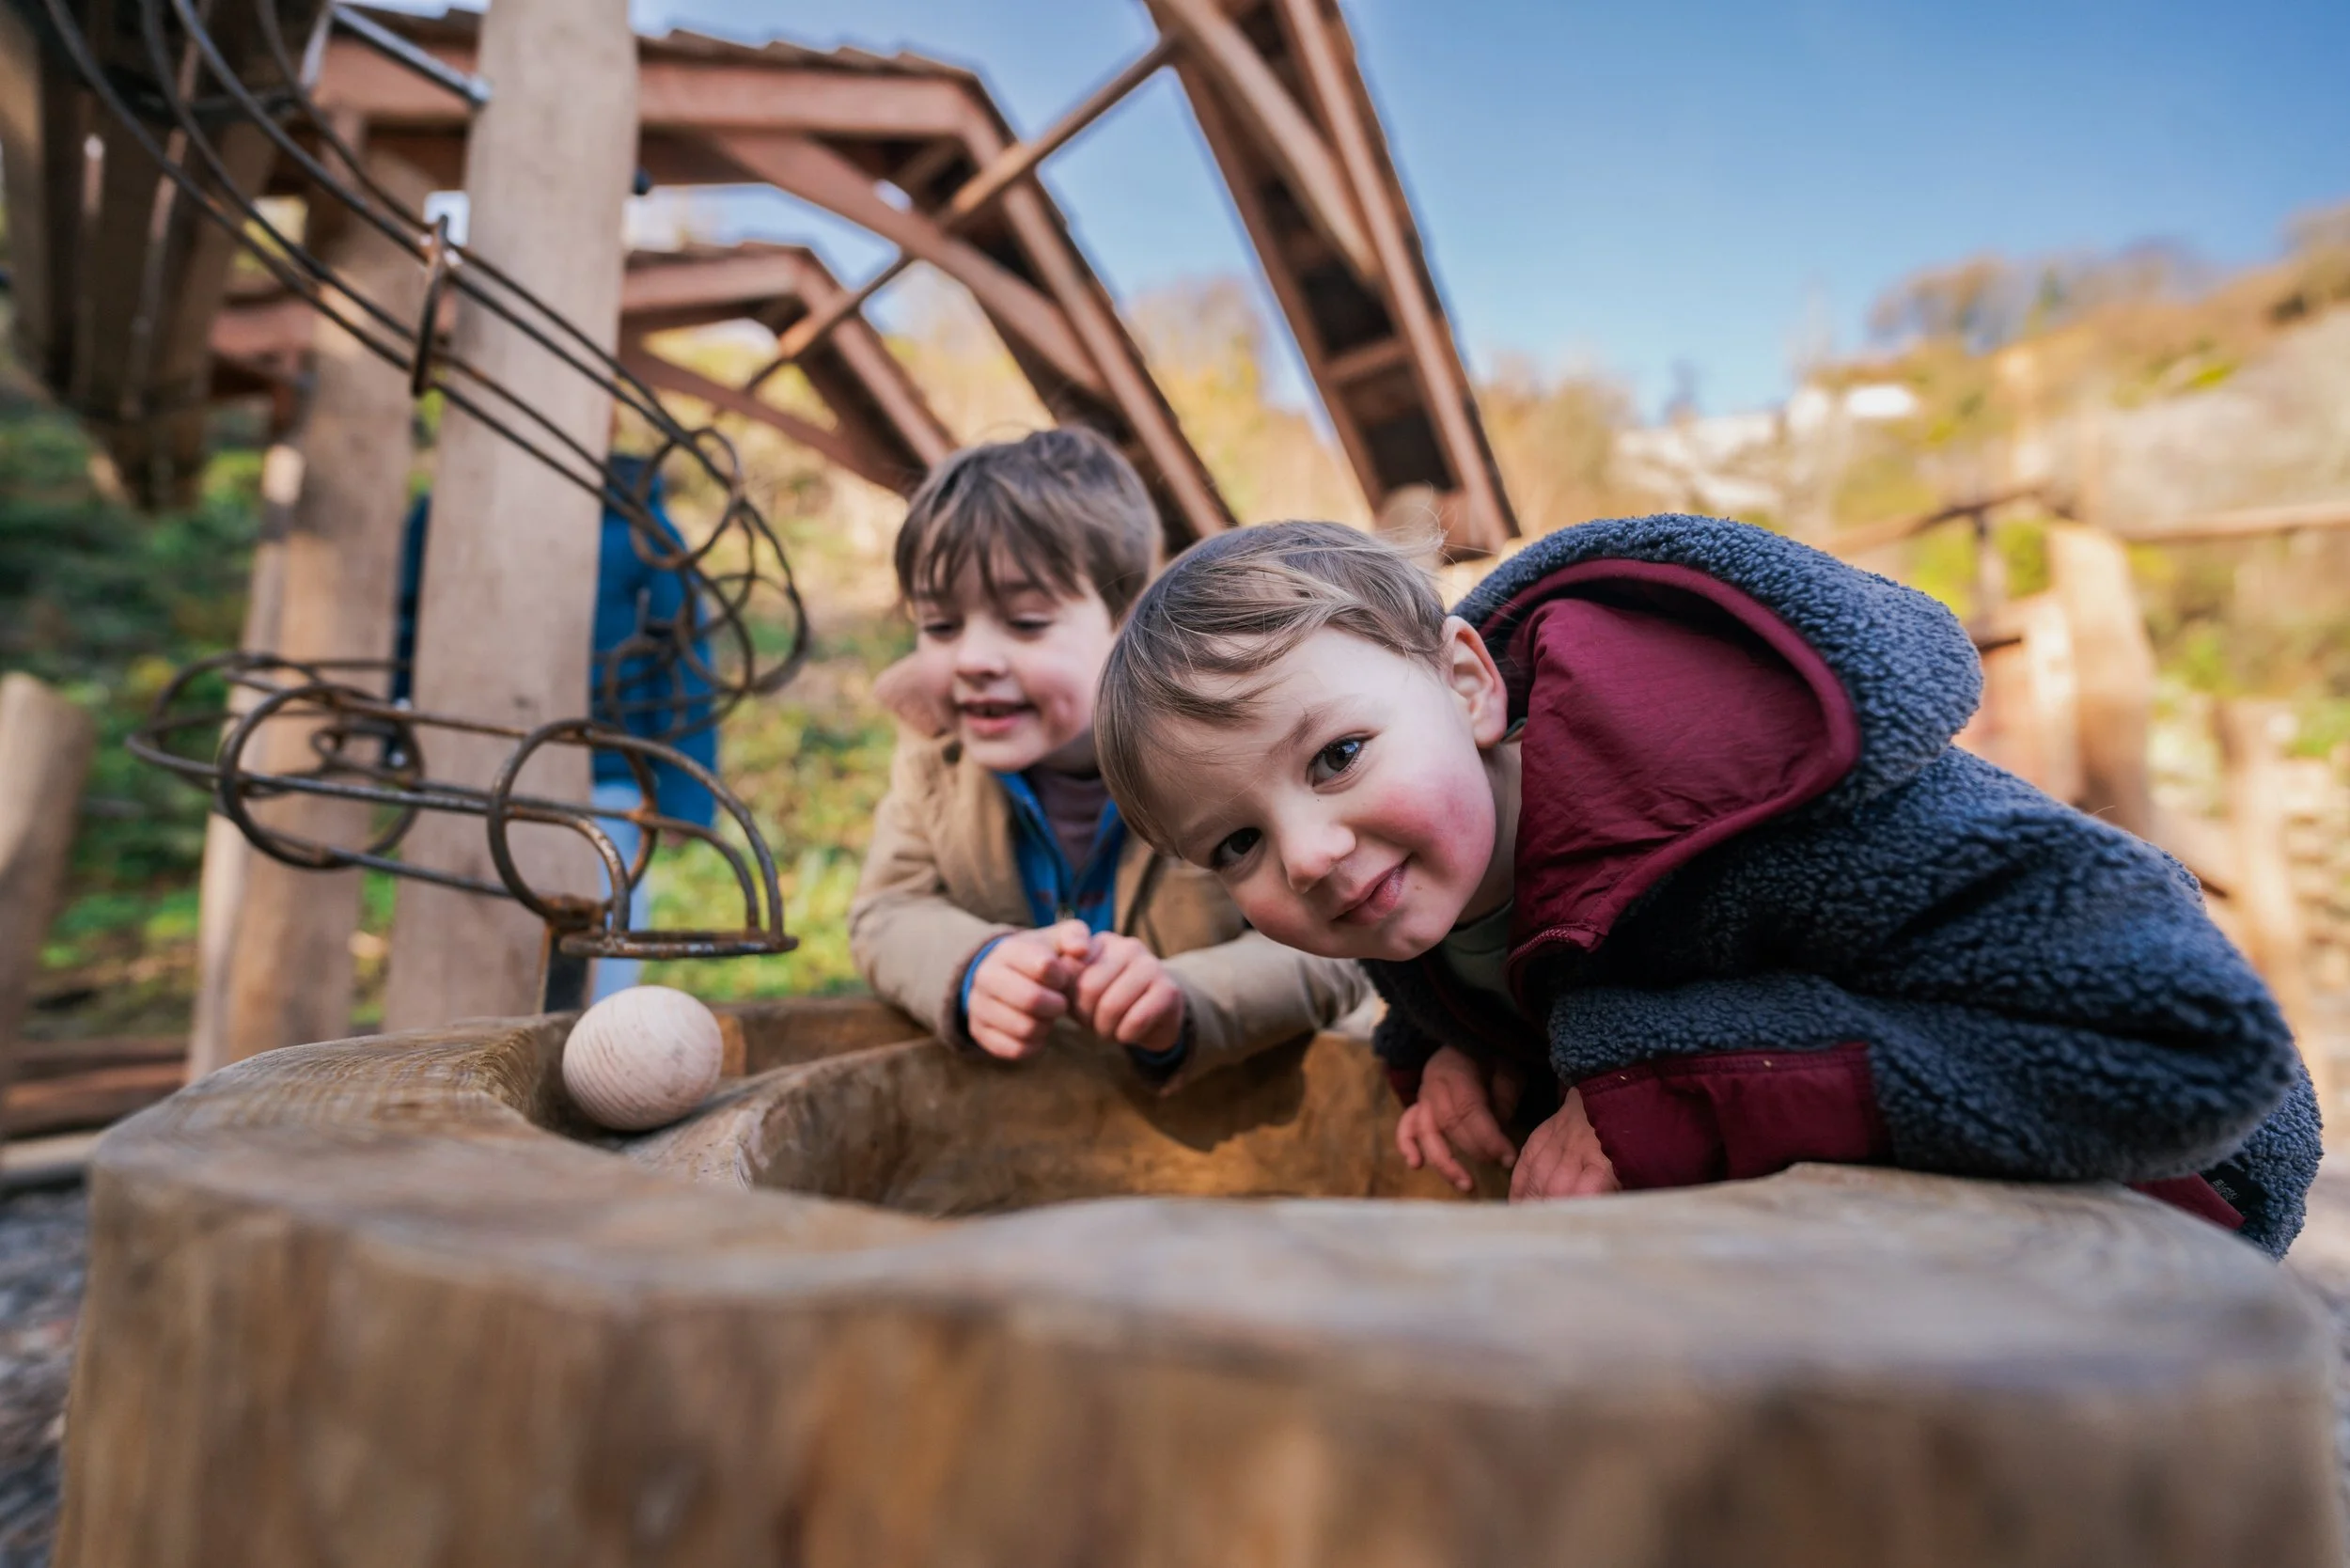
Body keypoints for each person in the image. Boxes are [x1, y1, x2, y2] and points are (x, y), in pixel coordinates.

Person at [1091, 516, 2321, 1255]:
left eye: (1337, 756)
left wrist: (1650, 1089)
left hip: (2164, 1193)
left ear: (1468, 686)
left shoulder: (1758, 804)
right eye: (1236, 846)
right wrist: (1446, 1059)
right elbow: (1499, 982)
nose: (1305, 854)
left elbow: (2187, 1041)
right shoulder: (1414, 873)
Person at [850, 428, 1368, 1089]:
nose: (974, 660)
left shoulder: (1215, 750)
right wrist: (973, 965)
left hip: (1223, 1117)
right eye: (940, 626)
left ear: (1128, 620)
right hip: (1027, 1117)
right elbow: (886, 911)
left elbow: (1336, 948)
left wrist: (1184, 998)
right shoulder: (934, 756)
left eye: (1027, 623)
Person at [395, 453, 716, 1000]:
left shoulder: (641, 529)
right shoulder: (447, 507)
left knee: (600, 948)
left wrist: (683, 797)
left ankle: (599, 1061)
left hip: (605, 775)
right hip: (466, 770)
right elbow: (408, 622)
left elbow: (685, 662)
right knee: (468, 945)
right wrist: (396, 736)